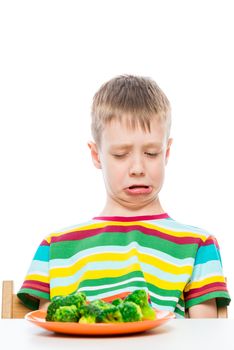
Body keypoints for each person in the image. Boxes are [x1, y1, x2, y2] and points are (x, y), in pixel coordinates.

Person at [17, 75, 230, 318]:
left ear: (167, 153)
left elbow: (205, 338)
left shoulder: (198, 245)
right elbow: (46, 332)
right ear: (97, 156)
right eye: (120, 154)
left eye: (151, 153)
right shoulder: (54, 248)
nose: (138, 167)